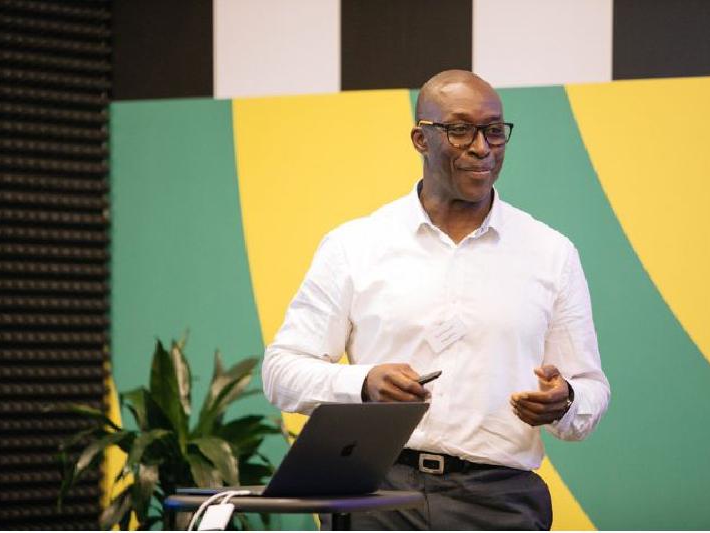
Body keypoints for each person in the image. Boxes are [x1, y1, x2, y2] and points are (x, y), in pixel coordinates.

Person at [261, 69, 611, 530]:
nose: (482, 147)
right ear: (420, 139)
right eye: (460, 130)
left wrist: (564, 401)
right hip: (375, 493)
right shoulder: (356, 244)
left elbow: (590, 387)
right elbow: (281, 372)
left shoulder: (550, 252)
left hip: (498, 502)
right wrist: (364, 384)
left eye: (493, 131)